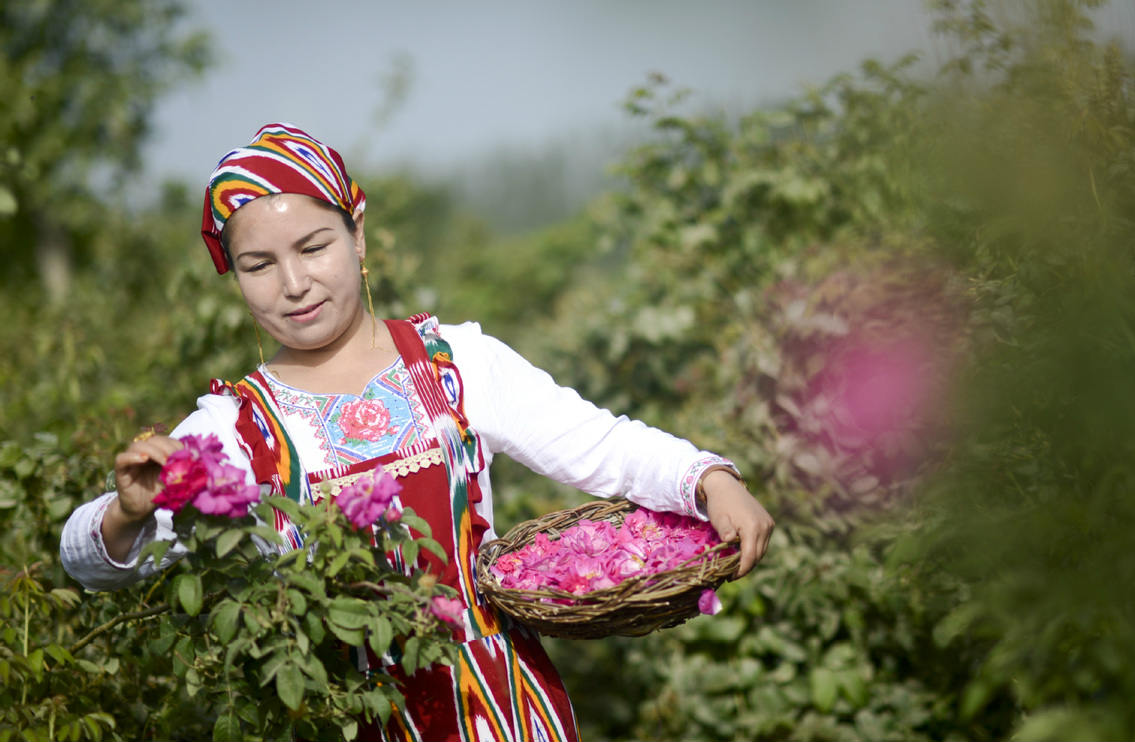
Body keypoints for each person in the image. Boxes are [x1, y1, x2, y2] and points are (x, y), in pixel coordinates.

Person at [60, 122, 774, 741]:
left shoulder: (454, 362)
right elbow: (86, 561)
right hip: (347, 712)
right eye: (258, 265)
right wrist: (128, 512)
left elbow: (598, 444)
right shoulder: (236, 426)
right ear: (234, 277)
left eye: (312, 247)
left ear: (357, 232)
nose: (293, 283)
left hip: (507, 710)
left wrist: (706, 478)